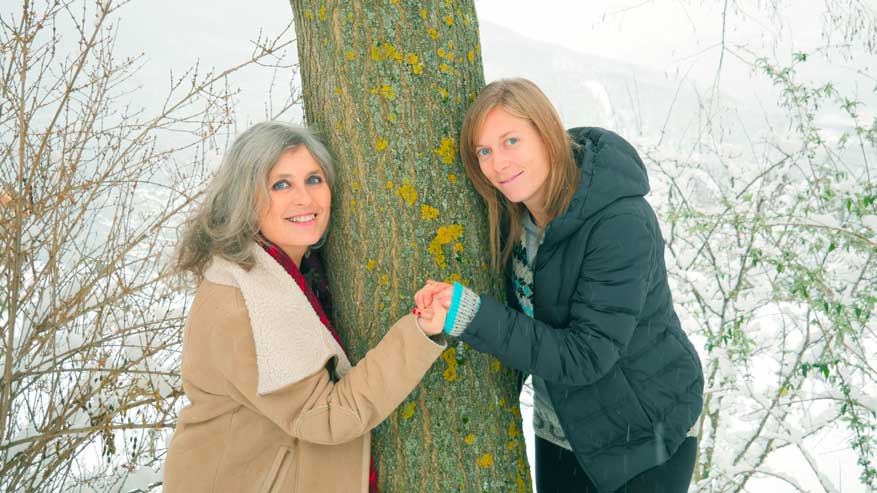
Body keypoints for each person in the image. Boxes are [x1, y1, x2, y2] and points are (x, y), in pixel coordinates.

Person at [415, 78, 704, 493]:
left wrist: (468, 313)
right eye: (484, 151)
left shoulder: (621, 223)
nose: (498, 163)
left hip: (646, 430)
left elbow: (587, 355)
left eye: (511, 140)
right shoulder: (515, 217)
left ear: (546, 133)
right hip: (562, 425)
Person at [164, 121, 447, 493]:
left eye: (314, 180)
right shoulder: (243, 300)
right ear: (245, 198)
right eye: (281, 184)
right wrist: (417, 332)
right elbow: (326, 417)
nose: (305, 199)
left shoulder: (293, 272)